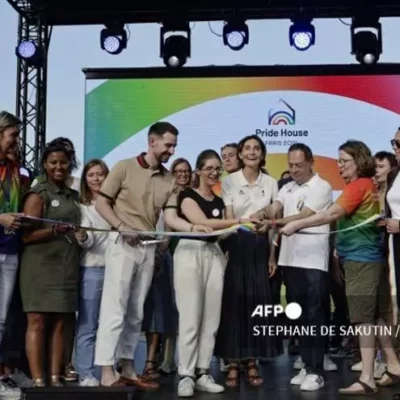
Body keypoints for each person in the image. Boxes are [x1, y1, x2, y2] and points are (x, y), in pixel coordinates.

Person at [93, 122, 210, 389]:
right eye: (168, 144)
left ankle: (128, 368)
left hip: (148, 247)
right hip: (122, 245)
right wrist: (121, 228)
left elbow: (170, 216)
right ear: (152, 141)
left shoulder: (169, 180)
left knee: (135, 312)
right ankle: (106, 371)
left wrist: (193, 227)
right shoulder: (123, 167)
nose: (172, 150)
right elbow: (101, 203)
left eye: (174, 146)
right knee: (115, 308)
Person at [280, 140, 400, 395]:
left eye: (345, 160)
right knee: (377, 316)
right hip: (366, 259)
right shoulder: (363, 185)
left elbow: (329, 214)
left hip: (361, 260)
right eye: (339, 160)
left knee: (362, 320)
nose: (340, 165)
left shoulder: (359, 185)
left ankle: (367, 377)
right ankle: (393, 365)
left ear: (359, 161)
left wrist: (295, 225)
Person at [253, 143, 333, 391]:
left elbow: (304, 216)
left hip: (312, 262)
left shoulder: (322, 187)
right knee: (299, 314)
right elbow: (275, 205)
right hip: (290, 260)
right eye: (291, 165)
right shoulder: (287, 187)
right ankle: (307, 366)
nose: (295, 169)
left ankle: (317, 371)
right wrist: (262, 212)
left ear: (311, 163)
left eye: (299, 165)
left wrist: (272, 221)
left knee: (315, 315)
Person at [174, 149, 252, 397]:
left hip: (214, 255)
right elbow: (201, 224)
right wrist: (239, 221)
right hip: (190, 253)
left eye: (217, 168)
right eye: (208, 168)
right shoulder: (187, 196)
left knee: (211, 319)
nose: (214, 172)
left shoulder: (219, 202)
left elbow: (220, 232)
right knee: (190, 316)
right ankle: (185, 374)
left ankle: (202, 371)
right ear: (198, 171)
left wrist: (244, 225)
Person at [215, 135, 282, 388]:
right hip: (238, 244)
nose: (252, 152)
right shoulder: (230, 182)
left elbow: (274, 224)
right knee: (234, 304)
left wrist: (272, 254)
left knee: (256, 303)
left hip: (261, 247)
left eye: (257, 148)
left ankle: (252, 360)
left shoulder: (271, 183)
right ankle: (233, 362)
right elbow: (230, 218)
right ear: (240, 154)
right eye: (247, 149)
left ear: (262, 154)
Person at [19, 142, 81, 387]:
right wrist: (54, 230)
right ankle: (37, 379)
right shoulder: (38, 194)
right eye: (53, 162)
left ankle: (55, 377)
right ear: (45, 164)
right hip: (39, 268)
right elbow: (26, 236)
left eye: (63, 162)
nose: (58, 167)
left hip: (66, 268)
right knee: (38, 322)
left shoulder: (73, 195)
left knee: (60, 322)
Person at [142, 158, 192, 379]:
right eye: (178, 171)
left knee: (183, 308)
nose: (182, 174)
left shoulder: (194, 196)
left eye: (186, 171)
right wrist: (160, 250)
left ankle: (172, 358)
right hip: (163, 255)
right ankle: (155, 358)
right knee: (162, 307)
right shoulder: (162, 192)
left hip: (189, 254)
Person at [74, 159, 110, 387]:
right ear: (85, 180)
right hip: (92, 269)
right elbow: (87, 239)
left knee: (111, 323)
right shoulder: (82, 206)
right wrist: (84, 237)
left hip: (117, 270)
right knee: (88, 324)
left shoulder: (116, 203)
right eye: (91, 175)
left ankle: (108, 369)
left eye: (101, 174)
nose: (96, 179)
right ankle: (85, 373)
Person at [0, 111, 24, 397]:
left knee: (4, 318)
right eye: (13, 136)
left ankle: (4, 372)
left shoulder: (15, 168)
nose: (16, 142)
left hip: (11, 249)